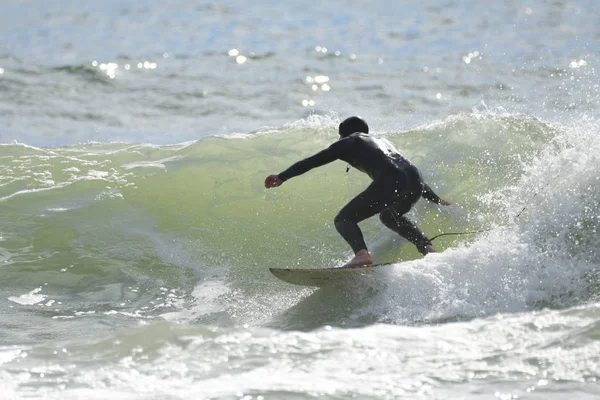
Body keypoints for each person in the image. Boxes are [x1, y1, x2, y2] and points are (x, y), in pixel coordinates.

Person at [264, 116, 450, 267]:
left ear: (343, 133)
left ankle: (362, 255)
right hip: (416, 180)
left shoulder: (349, 141)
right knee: (389, 217)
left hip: (391, 179)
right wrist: (437, 200)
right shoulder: (382, 142)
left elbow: (313, 161)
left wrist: (282, 176)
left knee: (344, 219)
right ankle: (428, 248)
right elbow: (407, 174)